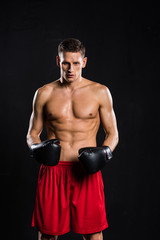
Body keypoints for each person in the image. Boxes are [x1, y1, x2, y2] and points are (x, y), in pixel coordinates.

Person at [26, 38, 119, 240]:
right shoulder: (44, 93)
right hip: (53, 171)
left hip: (86, 171)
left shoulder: (100, 92)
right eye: (66, 62)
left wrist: (103, 153)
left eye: (76, 63)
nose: (71, 69)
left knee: (93, 234)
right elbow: (32, 133)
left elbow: (113, 134)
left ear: (84, 62)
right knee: (48, 234)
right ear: (58, 61)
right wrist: (37, 147)